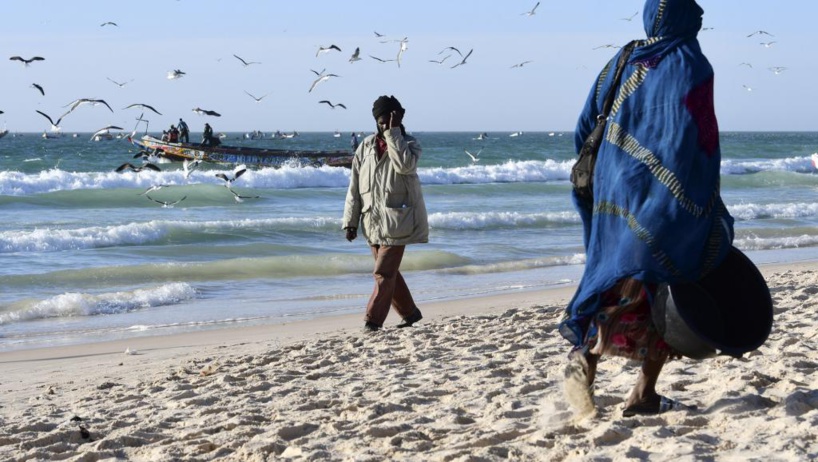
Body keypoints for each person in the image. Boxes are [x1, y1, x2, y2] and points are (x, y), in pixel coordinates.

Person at [561, 0, 734, 418]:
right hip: (666, 193)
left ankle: (586, 357)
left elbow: (585, 125)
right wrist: (705, 195)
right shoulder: (692, 63)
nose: (701, 13)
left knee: (613, 274)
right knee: (669, 282)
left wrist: (612, 171)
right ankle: (643, 392)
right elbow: (698, 138)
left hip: (613, 193)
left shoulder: (624, 58)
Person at [342, 95, 428, 332]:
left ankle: (372, 321)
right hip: (371, 221)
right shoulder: (365, 147)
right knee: (389, 273)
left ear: (399, 117)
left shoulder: (409, 144)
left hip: (398, 220)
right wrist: (350, 221)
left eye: (388, 120)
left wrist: (394, 134)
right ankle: (410, 313)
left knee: (383, 272)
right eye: (381, 122)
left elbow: (405, 166)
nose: (384, 126)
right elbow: (355, 186)